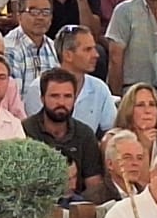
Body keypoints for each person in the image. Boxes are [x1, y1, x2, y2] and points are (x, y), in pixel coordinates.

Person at [22, 69, 106, 197]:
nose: (61, 103)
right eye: (54, 96)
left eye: (67, 96)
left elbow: (94, 185)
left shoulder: (85, 134)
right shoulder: (25, 131)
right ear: (42, 98)